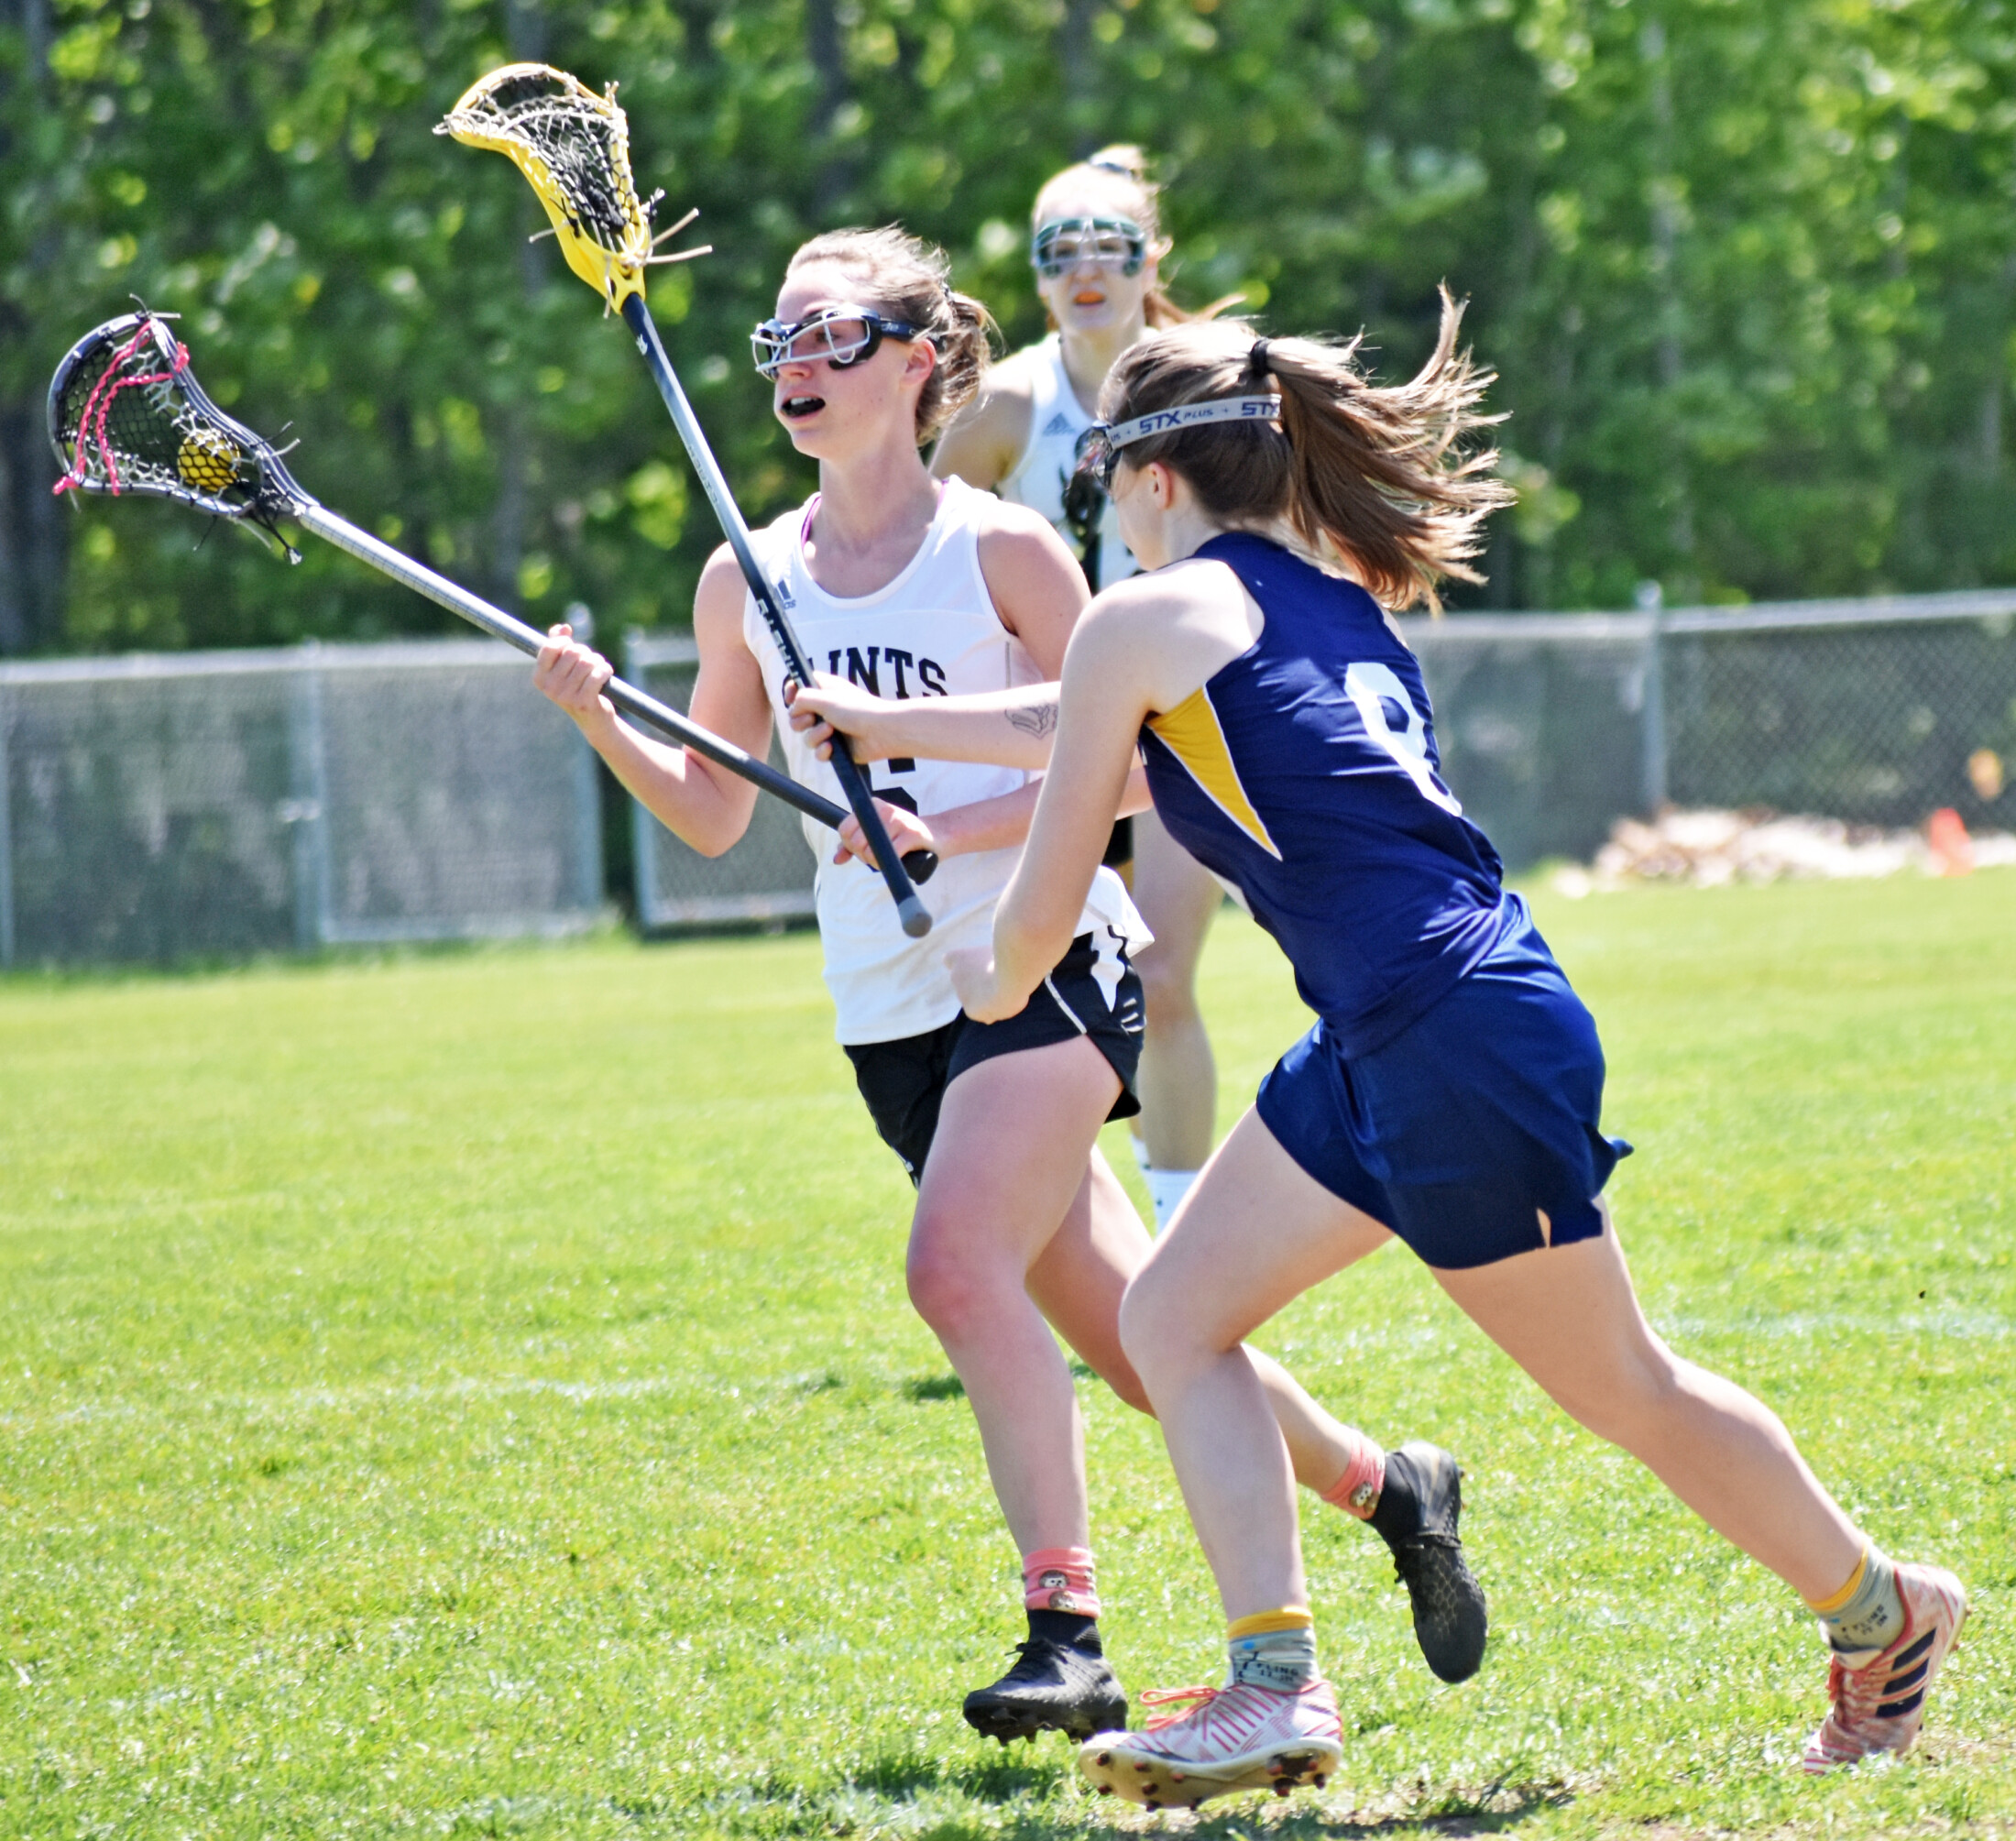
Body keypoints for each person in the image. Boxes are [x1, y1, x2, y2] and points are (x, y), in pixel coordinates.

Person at [814, 301, 1967, 1808]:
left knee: (1623, 1380)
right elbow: (1079, 716)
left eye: (1099, 489)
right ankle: (1270, 1684)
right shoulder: (1316, 594)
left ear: (1149, 480)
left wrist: (992, 962)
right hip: (1396, 1026)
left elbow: (1038, 906)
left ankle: (1887, 1612)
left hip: (1447, 1030)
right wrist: (899, 726)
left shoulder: (1143, 623)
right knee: (1172, 1313)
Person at [531, 228, 1488, 1747]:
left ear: (920, 362)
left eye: (831, 334)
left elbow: (1108, 748)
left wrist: (942, 822)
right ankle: (1394, 1483)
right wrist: (601, 719)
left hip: (1048, 965)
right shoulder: (746, 577)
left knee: (954, 1264)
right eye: (779, 340)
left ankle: (1068, 1627)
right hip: (895, 1007)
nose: (796, 364)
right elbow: (718, 815)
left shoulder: (1002, 552)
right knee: (1136, 1335)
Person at [932, 147, 1227, 1231]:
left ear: (1152, 258)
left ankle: (1178, 1233)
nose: (1087, 270)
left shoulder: (1201, 383)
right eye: (1062, 251)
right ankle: (1046, 1225)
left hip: (1180, 717)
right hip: (1049, 728)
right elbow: (922, 555)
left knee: (1161, 972)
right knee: (1024, 982)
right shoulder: (1006, 407)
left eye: (1113, 246)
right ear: (1038, 275)